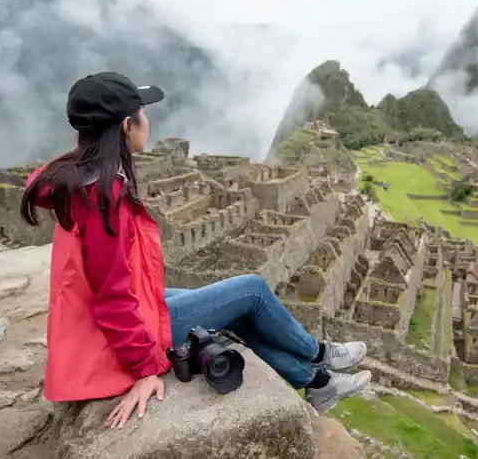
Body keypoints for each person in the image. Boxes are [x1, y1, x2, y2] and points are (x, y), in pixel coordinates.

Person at [20, 72, 372, 429]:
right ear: (127, 125)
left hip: (90, 330)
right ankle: (320, 356)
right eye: (142, 113)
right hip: (105, 346)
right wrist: (144, 370)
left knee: (227, 307)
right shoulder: (102, 199)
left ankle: (319, 383)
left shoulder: (77, 179)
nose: (149, 120)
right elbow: (110, 300)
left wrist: (96, 136)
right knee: (251, 289)